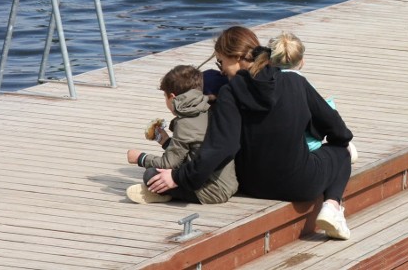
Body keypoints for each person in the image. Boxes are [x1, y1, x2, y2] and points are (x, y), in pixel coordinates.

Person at [146, 25, 355, 240]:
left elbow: (222, 147)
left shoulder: (229, 93)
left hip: (250, 184)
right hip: (298, 184)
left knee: (153, 176)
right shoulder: (294, 82)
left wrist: (178, 177)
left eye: (221, 62)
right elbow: (339, 131)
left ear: (236, 58)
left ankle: (165, 188)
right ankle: (332, 206)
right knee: (342, 151)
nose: (221, 70)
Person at [125, 64, 238, 204]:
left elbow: (168, 163)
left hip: (210, 191)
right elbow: (191, 150)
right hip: (228, 183)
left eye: (164, 96)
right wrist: (167, 142)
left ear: (172, 97)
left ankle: (162, 193)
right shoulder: (208, 108)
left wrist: (140, 158)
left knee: (151, 174)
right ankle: (163, 192)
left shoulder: (185, 122)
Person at [267, 31, 357, 160]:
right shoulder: (304, 87)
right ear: (302, 61)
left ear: (270, 61)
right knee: (347, 152)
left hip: (268, 151)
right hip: (305, 152)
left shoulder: (263, 86)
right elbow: (329, 121)